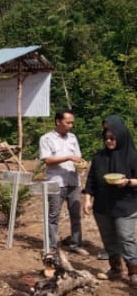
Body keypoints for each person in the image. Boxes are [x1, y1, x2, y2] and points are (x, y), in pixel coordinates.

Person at [84, 115, 137, 286]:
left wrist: (128, 182)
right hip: (102, 206)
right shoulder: (99, 157)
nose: (109, 141)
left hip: (125, 206)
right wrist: (87, 200)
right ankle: (115, 269)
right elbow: (91, 180)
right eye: (106, 138)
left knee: (125, 237)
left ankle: (133, 271)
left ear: (121, 136)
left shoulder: (132, 156)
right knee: (108, 239)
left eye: (112, 138)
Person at [39, 110, 89, 257]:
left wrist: (81, 163)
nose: (71, 126)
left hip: (73, 181)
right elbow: (47, 160)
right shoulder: (46, 138)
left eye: (72, 122)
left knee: (76, 215)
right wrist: (68, 157)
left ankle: (76, 244)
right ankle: (52, 247)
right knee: (53, 215)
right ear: (58, 122)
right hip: (56, 181)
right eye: (68, 122)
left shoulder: (72, 138)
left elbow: (77, 157)